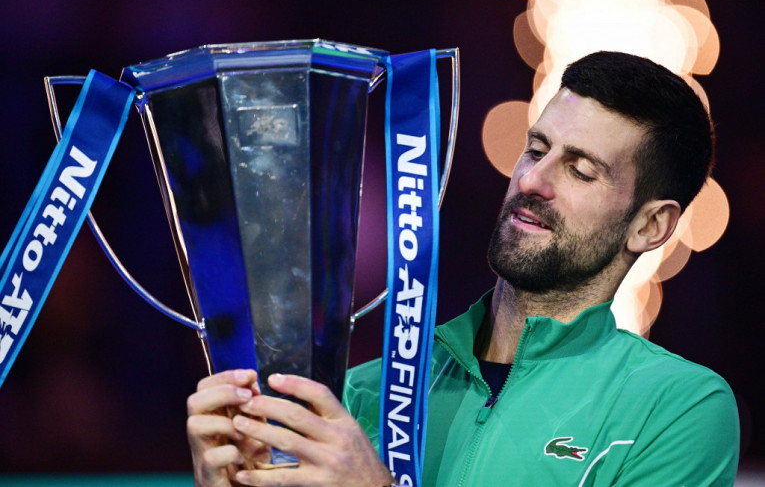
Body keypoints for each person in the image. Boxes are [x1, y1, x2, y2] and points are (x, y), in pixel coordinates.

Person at [186, 51, 740, 486]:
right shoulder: (362, 393)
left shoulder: (676, 408)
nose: (531, 181)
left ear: (650, 225)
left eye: (580, 171)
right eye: (536, 149)